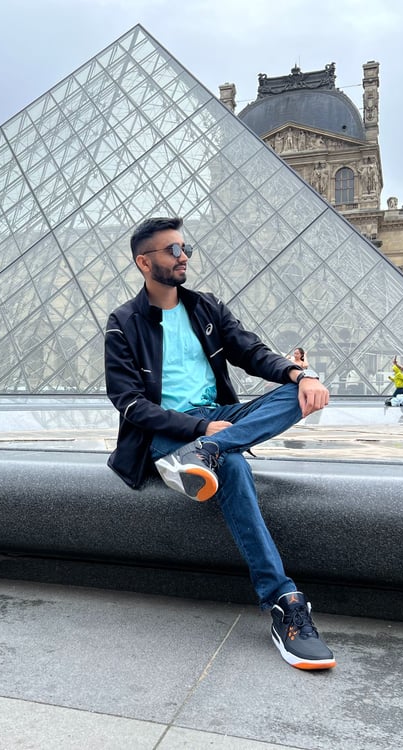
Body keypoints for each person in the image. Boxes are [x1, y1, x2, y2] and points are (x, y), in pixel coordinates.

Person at [104, 217, 335, 671]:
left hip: (217, 424)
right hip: (171, 432)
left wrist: (300, 374)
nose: (183, 255)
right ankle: (285, 603)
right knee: (231, 467)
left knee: (295, 394)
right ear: (144, 262)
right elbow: (128, 403)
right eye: (171, 250)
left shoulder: (207, 307)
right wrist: (196, 432)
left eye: (184, 247)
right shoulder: (123, 323)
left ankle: (213, 451)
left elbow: (251, 352)